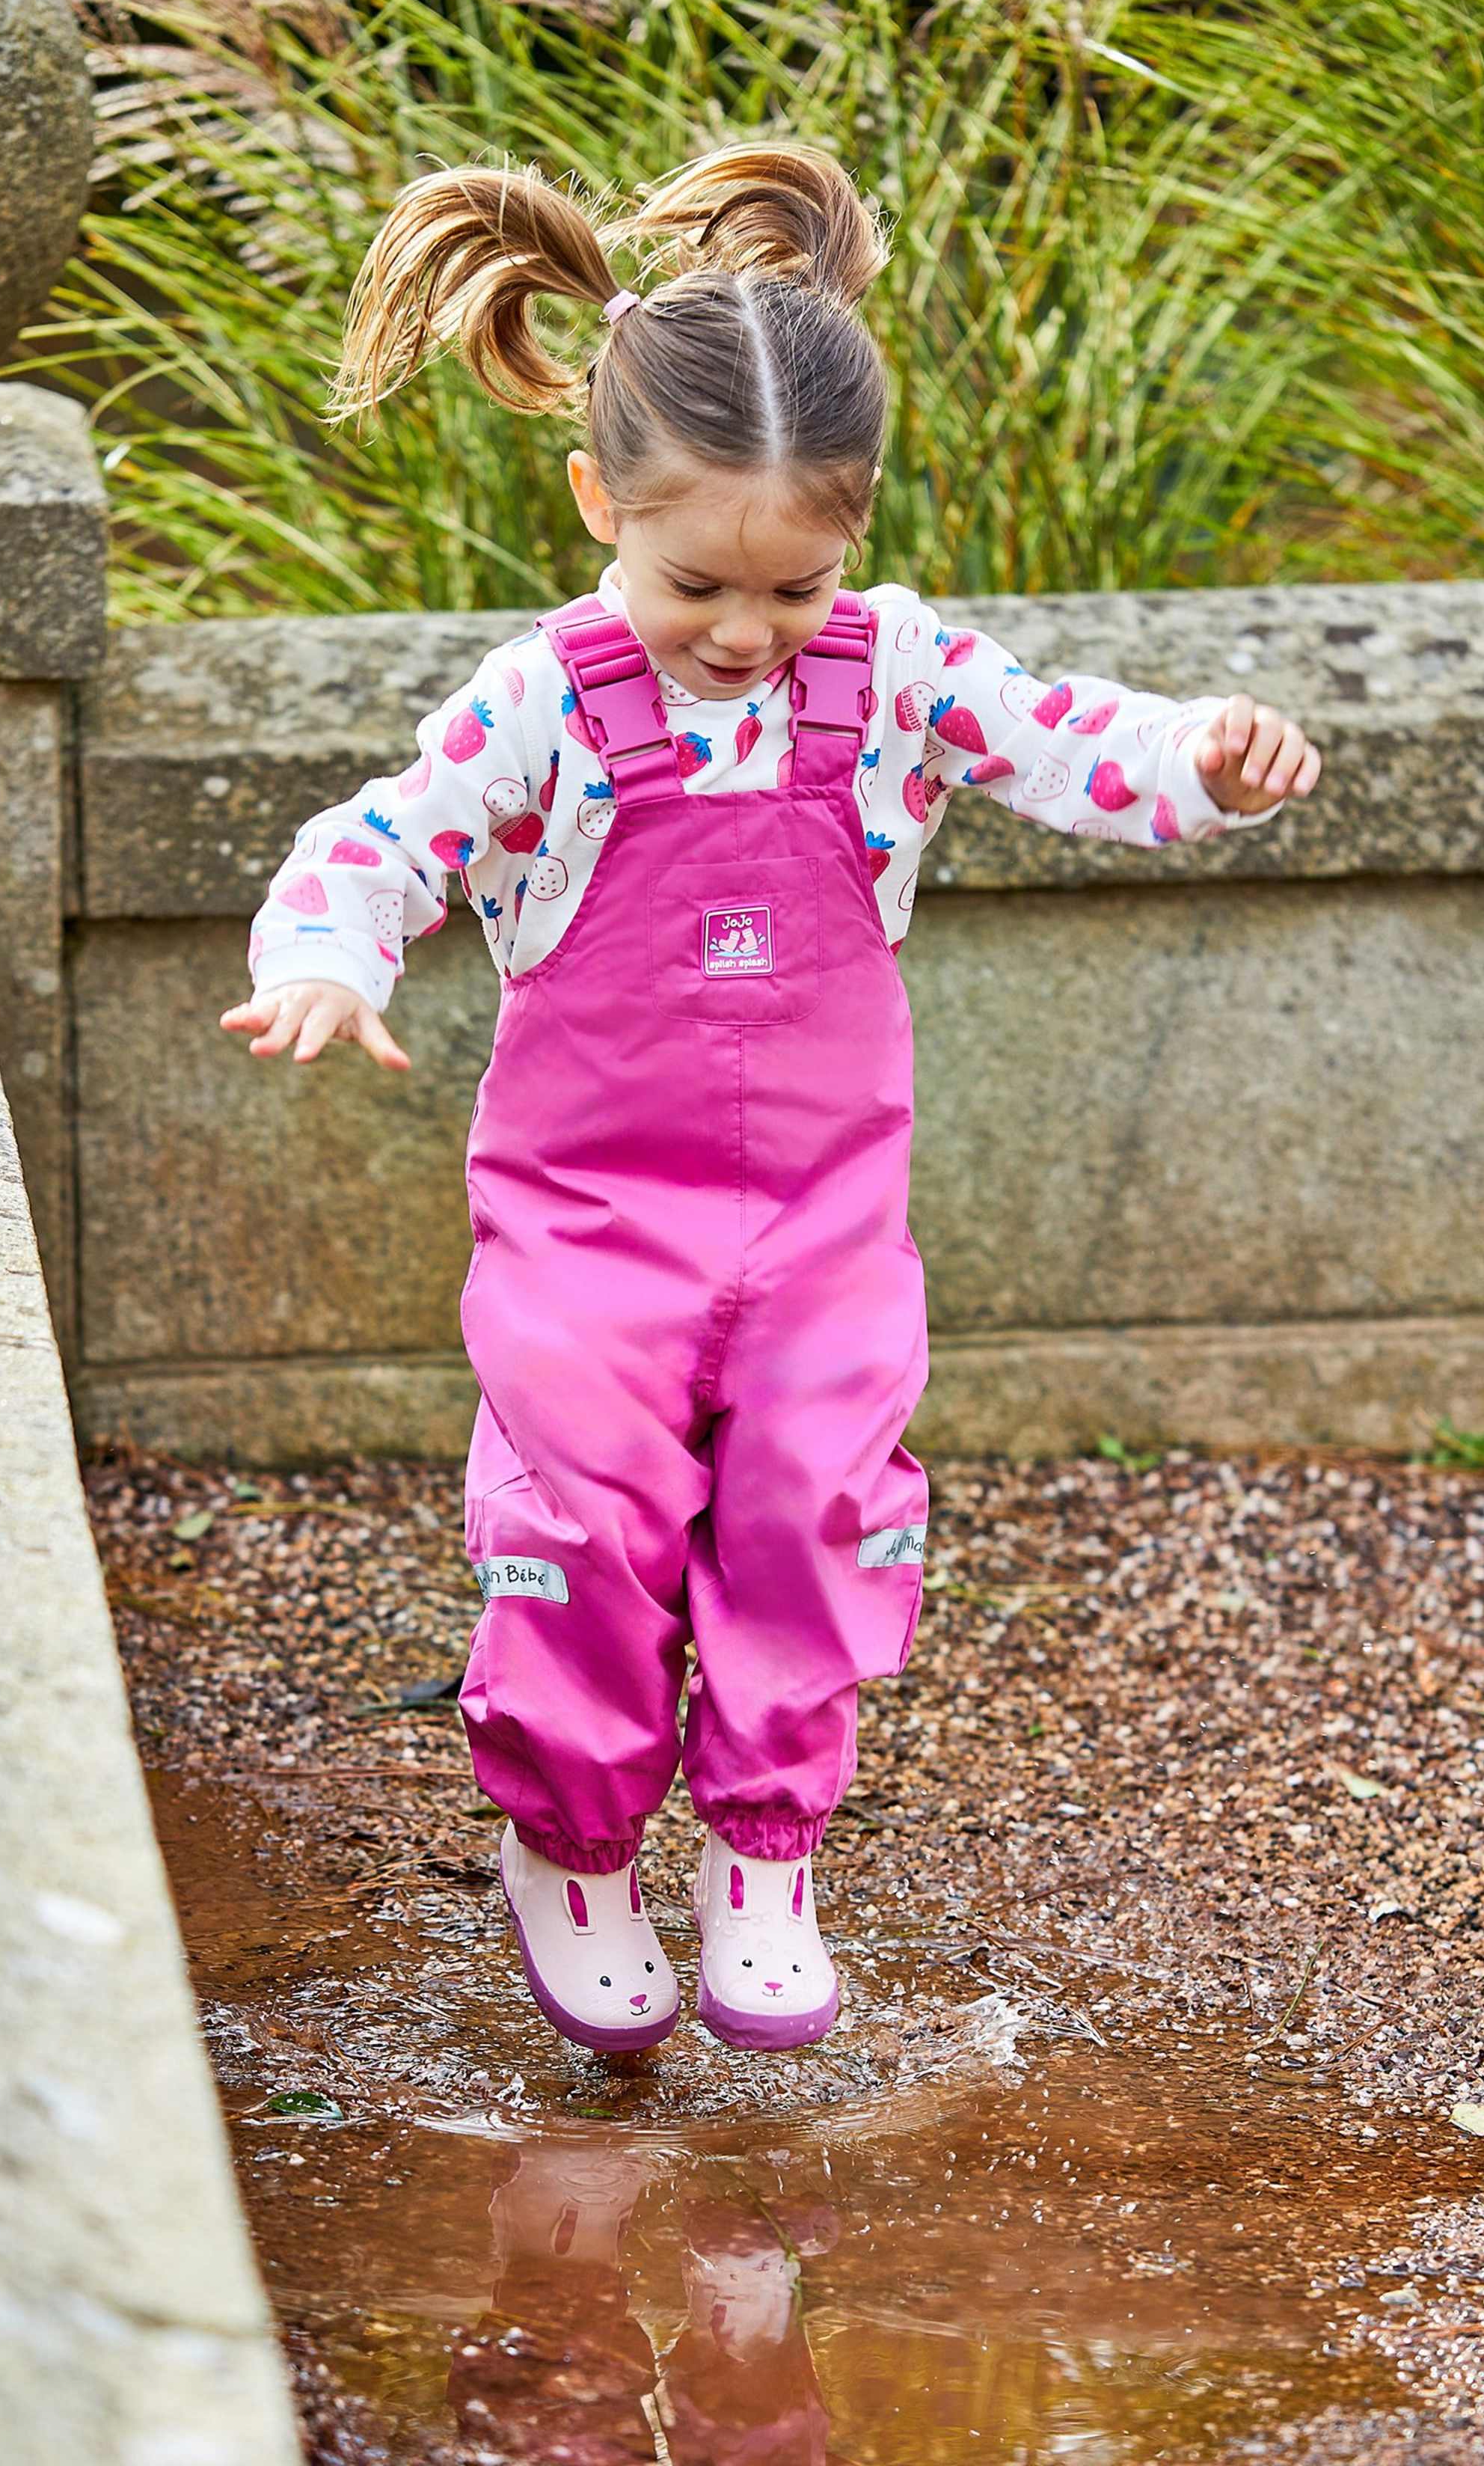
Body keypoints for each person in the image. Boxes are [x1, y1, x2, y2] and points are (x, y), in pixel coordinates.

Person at [220, 143, 1322, 2057]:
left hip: (821, 1228)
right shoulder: (545, 702)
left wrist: (1208, 758)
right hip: (588, 1230)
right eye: (693, 583)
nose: (742, 630)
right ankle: (570, 1848)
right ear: (595, 503)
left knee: (815, 1508)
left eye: (791, 583)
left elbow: (1081, 742)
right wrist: (325, 956)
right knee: (586, 1519)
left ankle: (763, 1853)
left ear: (857, 529)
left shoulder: (893, 676)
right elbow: (380, 837)